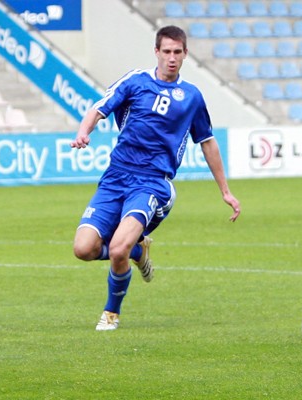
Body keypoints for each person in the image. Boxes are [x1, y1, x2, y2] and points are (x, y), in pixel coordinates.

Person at [70, 25, 240, 331]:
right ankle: (139, 249)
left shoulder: (191, 97)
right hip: (116, 176)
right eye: (166, 52)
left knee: (117, 249)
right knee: (83, 249)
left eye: (177, 52)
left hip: (151, 183)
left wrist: (225, 191)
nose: (171, 58)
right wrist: (84, 132)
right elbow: (98, 108)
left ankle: (111, 313)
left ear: (185, 54)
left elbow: (207, 142)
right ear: (156, 52)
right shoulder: (135, 81)